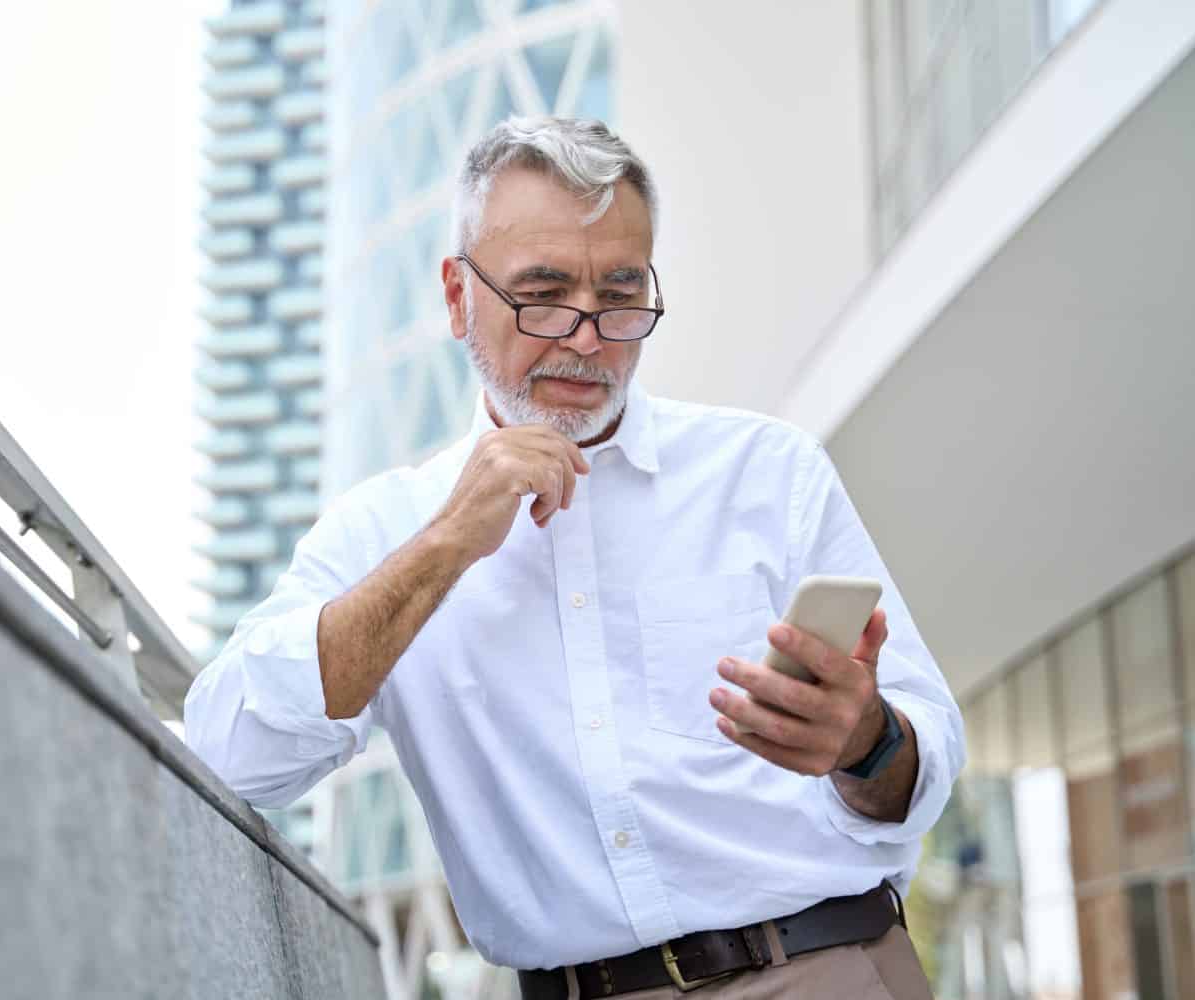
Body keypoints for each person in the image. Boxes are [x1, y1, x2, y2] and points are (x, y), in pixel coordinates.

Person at [184, 117, 964, 999]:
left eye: (621, 296)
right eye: (543, 295)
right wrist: (445, 548)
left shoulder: (768, 472)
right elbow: (229, 755)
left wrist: (866, 744)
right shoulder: (386, 530)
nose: (588, 339)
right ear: (455, 295)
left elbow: (928, 752)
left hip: (824, 968)